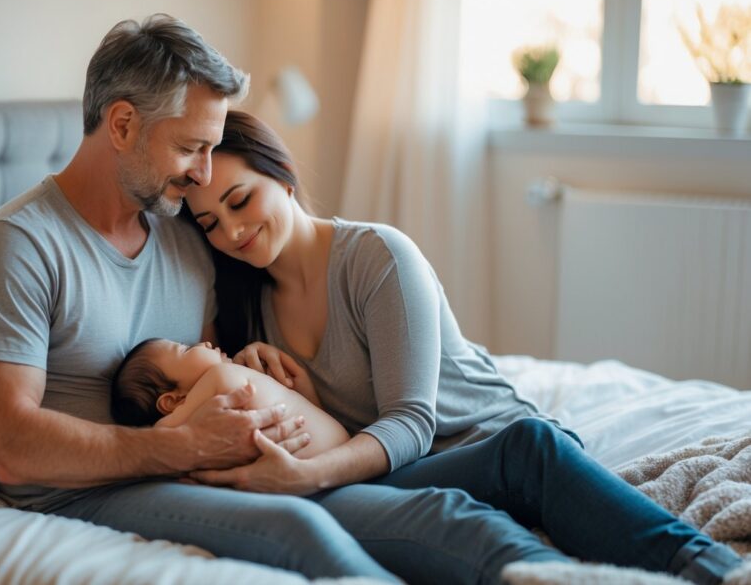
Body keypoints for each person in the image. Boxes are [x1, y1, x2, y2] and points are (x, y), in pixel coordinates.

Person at [180, 110, 746, 585]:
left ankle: (711, 569)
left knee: (532, 442)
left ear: (281, 175)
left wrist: (310, 477)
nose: (230, 232)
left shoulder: (376, 255)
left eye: (240, 200)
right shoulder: (245, 310)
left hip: (493, 449)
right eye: (209, 222)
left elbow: (412, 422)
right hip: (400, 478)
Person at [0, 14, 399, 582]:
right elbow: (10, 446)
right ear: (121, 125)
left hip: (195, 470)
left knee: (408, 508)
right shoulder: (14, 248)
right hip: (79, 494)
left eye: (211, 149)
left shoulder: (185, 233)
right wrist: (186, 446)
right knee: (297, 529)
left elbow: (206, 366)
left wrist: (249, 361)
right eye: (191, 147)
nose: (204, 174)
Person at [110, 338, 350, 459]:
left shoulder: (224, 377)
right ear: (171, 401)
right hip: (335, 451)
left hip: (332, 458)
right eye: (185, 349)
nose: (203, 342)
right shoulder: (217, 377)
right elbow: (162, 434)